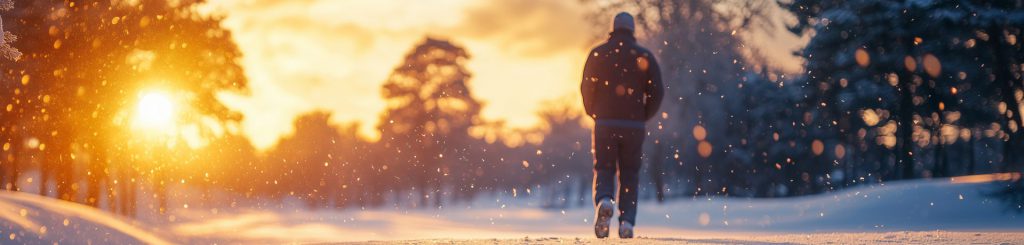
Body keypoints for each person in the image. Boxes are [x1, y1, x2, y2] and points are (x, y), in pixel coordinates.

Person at [580, 12, 663, 239]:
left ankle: (605, 200)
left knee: (604, 167)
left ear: (613, 28)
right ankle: (626, 222)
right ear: (632, 29)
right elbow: (657, 91)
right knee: (630, 173)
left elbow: (586, 87)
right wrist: (642, 115)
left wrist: (594, 112)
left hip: (605, 122)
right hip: (634, 126)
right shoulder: (644, 55)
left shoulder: (598, 54)